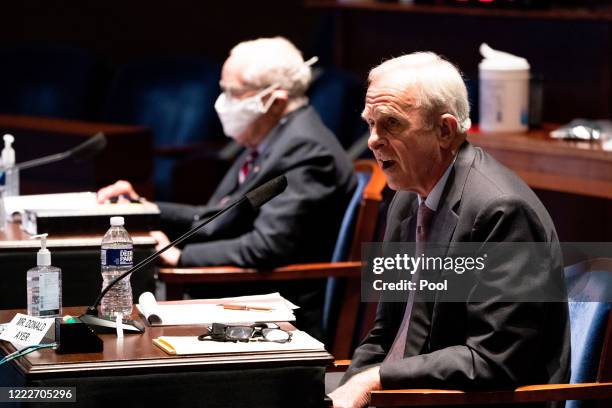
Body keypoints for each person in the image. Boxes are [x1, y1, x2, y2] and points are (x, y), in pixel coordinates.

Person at [328, 52, 570, 408]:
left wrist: (377, 378)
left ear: (444, 130)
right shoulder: (407, 198)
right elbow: (385, 334)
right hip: (406, 395)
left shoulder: (501, 211)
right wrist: (340, 395)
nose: (373, 140)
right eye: (370, 123)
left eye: (391, 124)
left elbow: (492, 360)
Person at [97, 37, 356, 338]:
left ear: (276, 101)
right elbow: (219, 214)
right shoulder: (272, 137)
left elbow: (266, 247)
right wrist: (144, 207)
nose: (222, 102)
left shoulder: (306, 149)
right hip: (239, 297)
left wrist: (181, 257)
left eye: (232, 93)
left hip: (274, 314)